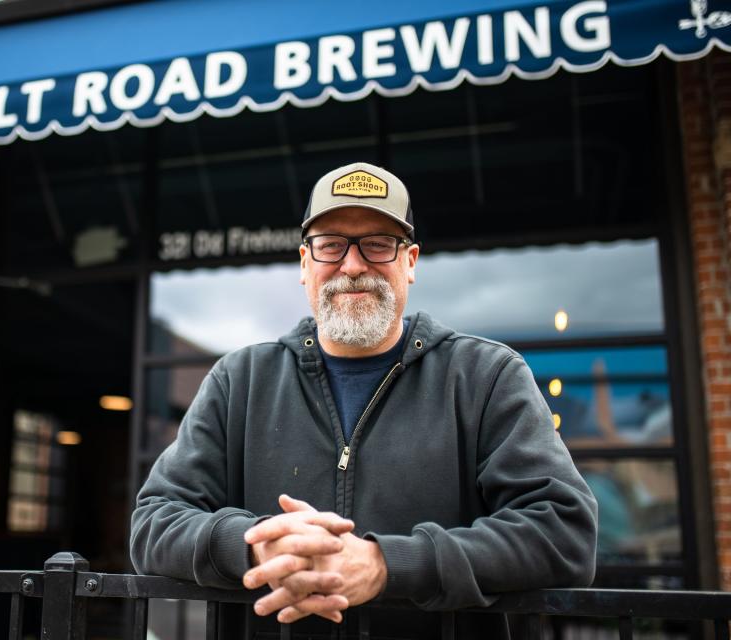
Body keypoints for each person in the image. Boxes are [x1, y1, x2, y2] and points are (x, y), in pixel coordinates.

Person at [130, 162, 598, 639]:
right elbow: (154, 522)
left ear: (410, 261)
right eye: (331, 245)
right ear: (305, 264)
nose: (353, 266)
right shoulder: (239, 380)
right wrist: (258, 547)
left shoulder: (486, 376)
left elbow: (565, 532)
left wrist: (385, 564)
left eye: (377, 244)